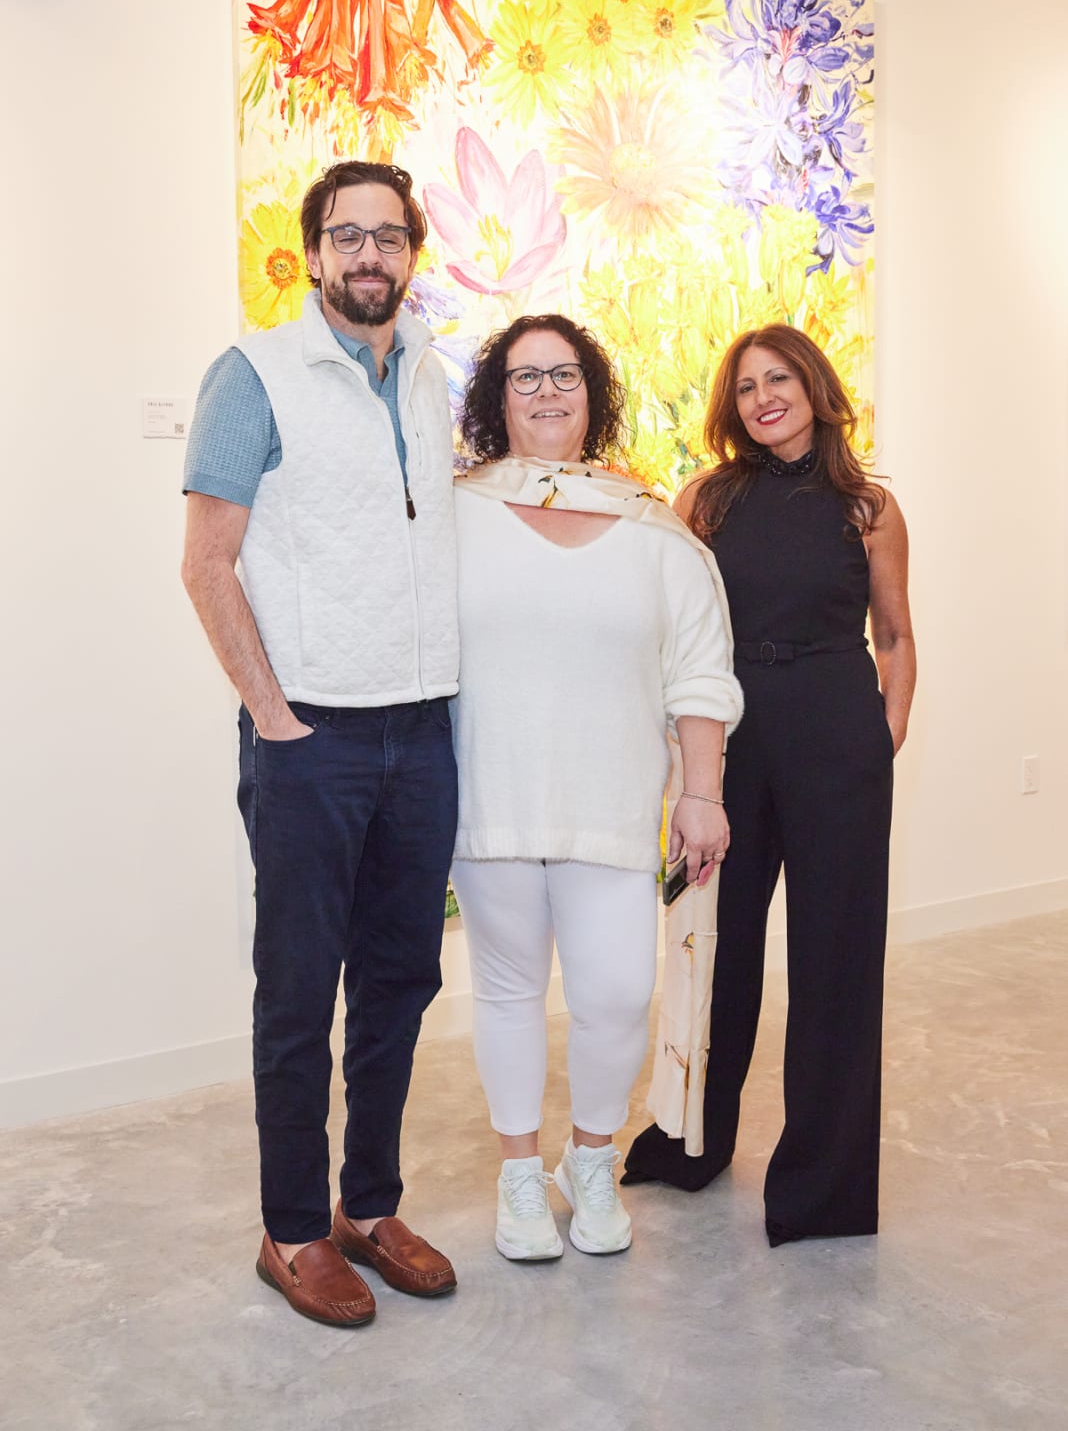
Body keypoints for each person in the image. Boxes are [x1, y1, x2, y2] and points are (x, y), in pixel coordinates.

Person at [181, 161, 460, 1327]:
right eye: (346, 235)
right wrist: (274, 716)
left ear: (411, 252)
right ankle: (292, 1229)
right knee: (298, 993)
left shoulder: (436, 376)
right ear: (312, 253)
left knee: (399, 979)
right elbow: (207, 562)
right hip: (312, 739)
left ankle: (368, 1205)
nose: (368, 255)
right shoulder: (253, 374)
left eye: (388, 235)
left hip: (423, 730)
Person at [449, 315, 744, 1262]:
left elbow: (700, 670)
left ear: (592, 393)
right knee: (506, 991)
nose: (545, 392)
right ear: (498, 399)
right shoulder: (453, 512)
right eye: (524, 376)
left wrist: (702, 791)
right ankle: (518, 1176)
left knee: (618, 994)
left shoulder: (652, 528)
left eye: (564, 375)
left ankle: (590, 1157)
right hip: (491, 795)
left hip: (614, 802)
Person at [623, 323, 916, 1246]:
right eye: (745, 387)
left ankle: (823, 1190)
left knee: (836, 962)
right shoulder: (705, 500)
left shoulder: (869, 508)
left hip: (837, 734)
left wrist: (883, 736)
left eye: (778, 379)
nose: (761, 399)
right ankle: (691, 1143)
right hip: (733, 740)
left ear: (815, 386)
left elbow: (897, 637)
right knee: (714, 947)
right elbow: (673, 634)